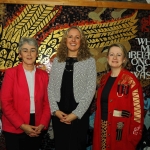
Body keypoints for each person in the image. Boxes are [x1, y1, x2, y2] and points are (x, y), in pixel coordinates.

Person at [48, 26, 97, 150]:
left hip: (79, 114)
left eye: (77, 37)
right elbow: (50, 88)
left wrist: (76, 114)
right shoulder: (58, 61)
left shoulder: (89, 61)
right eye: (70, 37)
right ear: (65, 40)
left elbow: (91, 89)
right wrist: (55, 111)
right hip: (59, 114)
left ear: (82, 41)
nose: (73, 40)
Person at [0, 37, 51, 150]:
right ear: (19, 54)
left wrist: (42, 125)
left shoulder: (44, 76)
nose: (29, 54)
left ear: (37, 54)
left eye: (33, 50)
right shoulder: (11, 74)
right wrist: (22, 126)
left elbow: (48, 103)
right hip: (14, 127)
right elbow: (5, 103)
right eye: (25, 50)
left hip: (37, 126)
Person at [93, 43, 144, 150]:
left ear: (124, 59)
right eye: (111, 54)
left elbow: (138, 112)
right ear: (107, 58)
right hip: (102, 129)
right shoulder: (103, 79)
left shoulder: (131, 81)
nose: (115, 58)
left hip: (121, 132)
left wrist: (133, 138)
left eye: (119, 55)